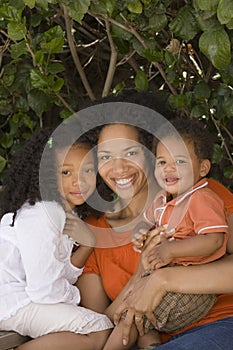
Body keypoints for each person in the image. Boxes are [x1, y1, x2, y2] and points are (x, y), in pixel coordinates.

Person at [65, 99, 233, 350]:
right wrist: (138, 278)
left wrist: (162, 280)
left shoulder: (200, 193)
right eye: (106, 156)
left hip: (218, 323)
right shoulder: (93, 231)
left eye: (131, 153)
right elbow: (99, 323)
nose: (119, 167)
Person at [107, 118, 228, 349]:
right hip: (163, 276)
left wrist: (170, 250)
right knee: (133, 319)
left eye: (179, 161)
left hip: (193, 282)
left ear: (202, 168)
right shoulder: (163, 199)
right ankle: (150, 345)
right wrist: (140, 234)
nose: (168, 168)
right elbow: (146, 221)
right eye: (162, 162)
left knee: (130, 320)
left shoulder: (202, 198)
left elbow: (214, 239)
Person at [0, 126, 113, 350]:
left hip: (25, 299)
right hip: (11, 301)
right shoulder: (44, 212)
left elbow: (59, 275)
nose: (79, 181)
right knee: (99, 327)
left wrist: (88, 245)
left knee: (96, 325)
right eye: (66, 172)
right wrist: (76, 298)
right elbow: (45, 291)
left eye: (88, 171)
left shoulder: (65, 212)